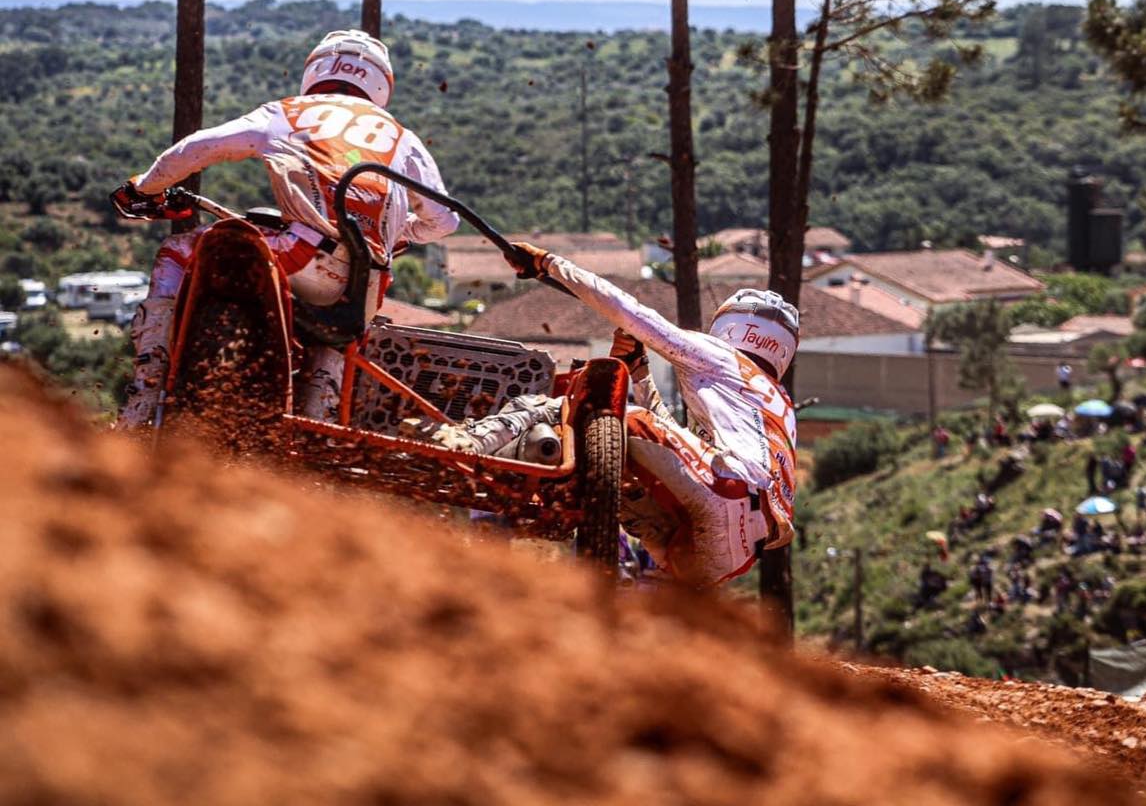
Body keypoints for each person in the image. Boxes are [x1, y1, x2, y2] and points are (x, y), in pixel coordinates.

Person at [110, 30, 459, 427]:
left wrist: (144, 188)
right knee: (339, 337)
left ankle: (146, 387)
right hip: (364, 283)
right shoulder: (402, 137)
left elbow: (197, 148)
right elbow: (444, 222)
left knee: (177, 251)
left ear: (315, 70)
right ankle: (319, 418)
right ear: (381, 84)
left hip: (298, 253)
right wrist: (399, 232)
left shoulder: (288, 112)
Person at [441, 249, 798, 587]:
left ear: (729, 326)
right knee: (635, 602)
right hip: (735, 554)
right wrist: (639, 374)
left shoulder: (723, 357)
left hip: (725, 489)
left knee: (581, 409)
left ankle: (468, 443)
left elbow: (630, 311)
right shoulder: (777, 406)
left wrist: (548, 263)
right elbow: (675, 447)